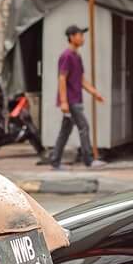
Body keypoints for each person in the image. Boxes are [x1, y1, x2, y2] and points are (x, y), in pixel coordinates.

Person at [48, 24, 106, 170]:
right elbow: (62, 78)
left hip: (75, 99)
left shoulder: (77, 56)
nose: (82, 38)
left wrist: (94, 93)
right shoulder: (66, 56)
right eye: (80, 35)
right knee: (84, 127)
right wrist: (63, 102)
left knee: (65, 131)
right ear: (72, 37)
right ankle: (89, 160)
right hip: (71, 100)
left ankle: (55, 161)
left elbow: (80, 79)